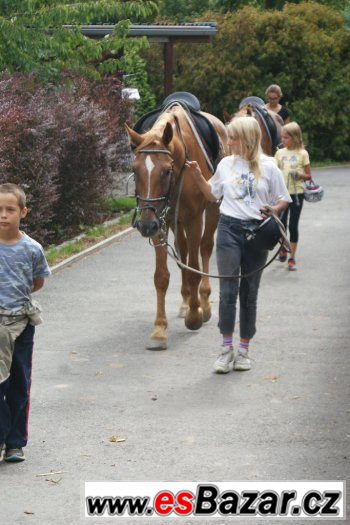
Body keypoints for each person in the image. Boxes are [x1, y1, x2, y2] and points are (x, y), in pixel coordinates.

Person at [187, 117, 291, 374]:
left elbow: (284, 199)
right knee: (228, 291)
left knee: (249, 292)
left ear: (246, 139)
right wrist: (199, 177)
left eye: (232, 137)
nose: (228, 141)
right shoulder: (225, 164)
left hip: (257, 233)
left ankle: (244, 350)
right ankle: (226, 349)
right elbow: (212, 195)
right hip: (228, 230)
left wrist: (273, 209)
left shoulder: (269, 167)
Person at [0, 183, 51, 463]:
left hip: (21, 324)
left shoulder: (31, 249)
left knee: (20, 382)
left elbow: (38, 281)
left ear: (23, 212)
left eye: (10, 209)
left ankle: (15, 443)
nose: (3, 215)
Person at [274, 122, 311, 271]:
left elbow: (308, 176)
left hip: (297, 194)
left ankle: (292, 257)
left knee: (292, 226)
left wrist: (300, 175)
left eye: (286, 137)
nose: (283, 140)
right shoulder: (279, 153)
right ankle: (283, 248)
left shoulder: (303, 153)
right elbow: (274, 173)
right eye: (282, 137)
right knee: (280, 225)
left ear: (295, 137)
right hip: (281, 195)